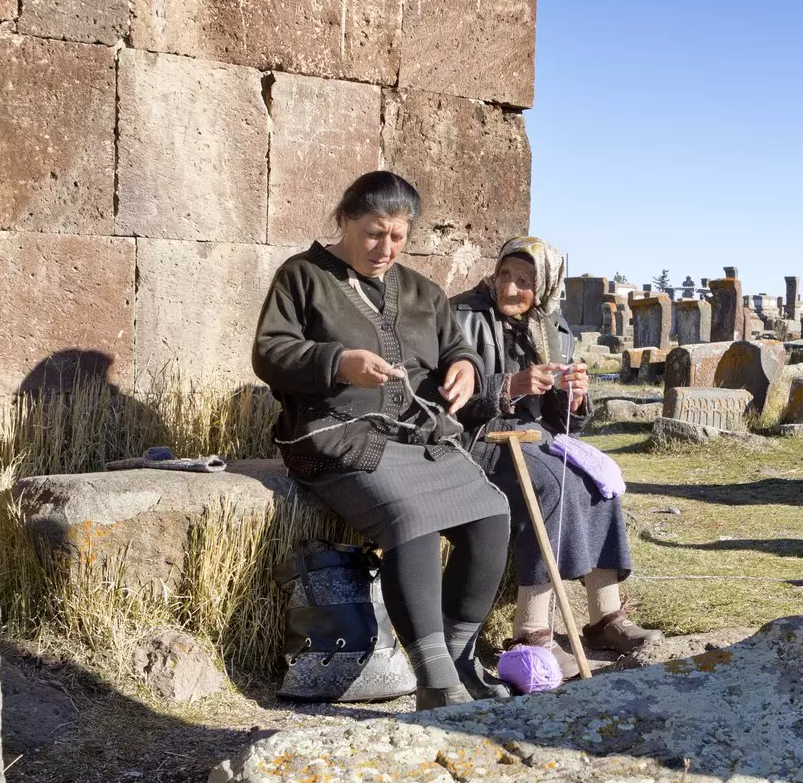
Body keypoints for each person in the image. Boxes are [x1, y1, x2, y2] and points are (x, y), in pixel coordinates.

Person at [252, 171, 512, 709]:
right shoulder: (302, 276)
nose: (386, 247)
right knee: (410, 518)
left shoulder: (421, 290)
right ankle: (436, 683)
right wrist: (338, 362)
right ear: (344, 220)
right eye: (374, 233)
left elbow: (455, 347)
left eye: (398, 236)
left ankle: (458, 658)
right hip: (337, 436)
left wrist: (464, 367)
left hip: (417, 435)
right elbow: (270, 352)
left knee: (492, 512)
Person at [453, 237, 661, 673]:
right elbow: (447, 404)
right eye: (504, 275)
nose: (510, 288)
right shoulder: (462, 318)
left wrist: (573, 398)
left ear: (545, 286)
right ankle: (532, 633)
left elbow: (564, 422)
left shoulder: (554, 329)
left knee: (599, 480)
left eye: (525, 281)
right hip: (478, 438)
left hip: (535, 437)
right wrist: (510, 386)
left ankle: (605, 617)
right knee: (552, 484)